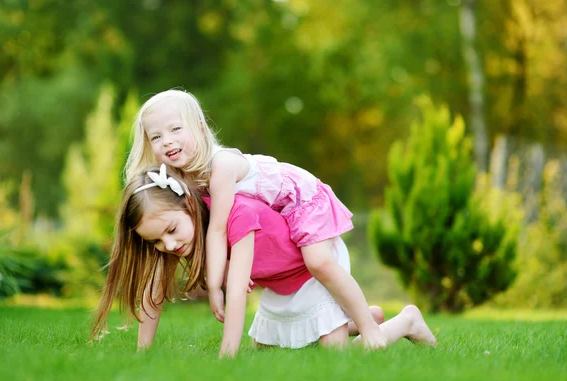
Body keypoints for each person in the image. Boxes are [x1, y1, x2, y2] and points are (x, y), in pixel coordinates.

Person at [124, 89, 387, 349]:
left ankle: (367, 326)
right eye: (156, 136)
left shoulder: (221, 167)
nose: (167, 141)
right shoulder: (179, 181)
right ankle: (358, 318)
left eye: (176, 129)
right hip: (283, 212)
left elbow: (217, 230)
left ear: (201, 129)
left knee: (318, 261)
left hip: (303, 199)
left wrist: (215, 287)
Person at [90, 166, 437, 357]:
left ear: (189, 205)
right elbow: (153, 292)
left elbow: (238, 293)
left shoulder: (234, 214)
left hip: (311, 268)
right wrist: (143, 354)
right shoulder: (178, 235)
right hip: (281, 281)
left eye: (170, 230)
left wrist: (227, 355)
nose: (168, 244)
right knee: (268, 349)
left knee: (337, 356)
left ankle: (405, 321)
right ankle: (353, 320)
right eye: (156, 241)